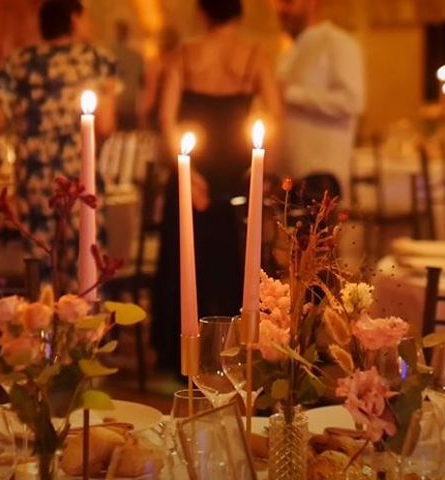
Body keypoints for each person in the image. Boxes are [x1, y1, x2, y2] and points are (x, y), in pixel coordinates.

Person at [152, 0, 282, 375]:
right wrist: (259, 171)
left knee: (186, 260)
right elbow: (275, 116)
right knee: (233, 263)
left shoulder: (184, 56)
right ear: (238, 13)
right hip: (236, 173)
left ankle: (181, 356)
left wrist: (186, 172)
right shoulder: (253, 56)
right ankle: (232, 352)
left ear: (202, 12)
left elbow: (166, 119)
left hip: (194, 169)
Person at [0, 0, 118, 284]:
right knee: (86, 260)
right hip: (80, 176)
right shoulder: (96, 59)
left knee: (40, 259)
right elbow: (105, 124)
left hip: (33, 175)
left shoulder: (20, 61)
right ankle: (84, 325)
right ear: (75, 18)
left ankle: (43, 322)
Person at [274, 0, 365, 200]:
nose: (281, 10)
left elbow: (352, 101)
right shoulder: (286, 54)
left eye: (288, 2)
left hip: (322, 176)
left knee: (317, 232)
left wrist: (291, 94)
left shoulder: (337, 42)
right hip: (285, 176)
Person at [112, 20, 144, 131]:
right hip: (131, 106)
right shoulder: (137, 57)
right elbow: (142, 84)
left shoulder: (108, 55)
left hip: (114, 108)